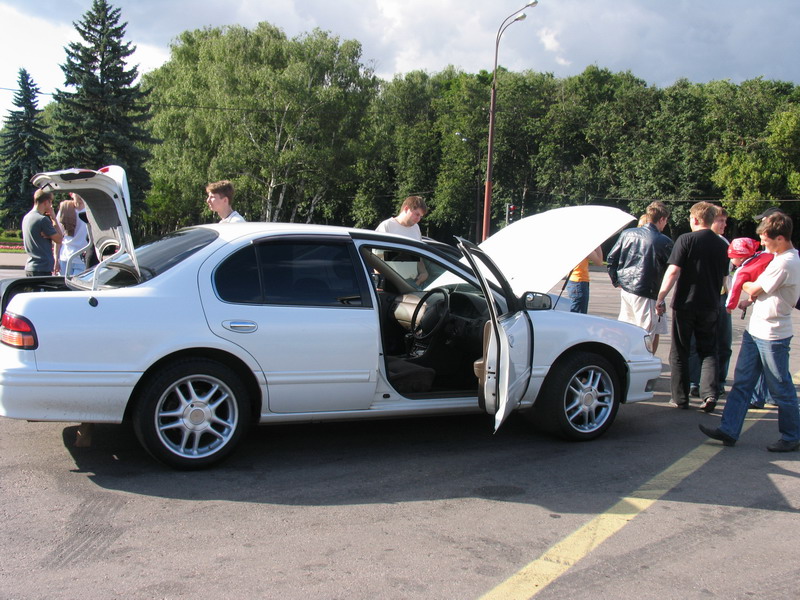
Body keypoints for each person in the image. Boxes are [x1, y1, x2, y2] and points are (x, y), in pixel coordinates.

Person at [699, 212, 800, 452]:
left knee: (780, 385)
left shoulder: (785, 262)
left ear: (780, 237)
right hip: (758, 330)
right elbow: (766, 291)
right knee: (743, 382)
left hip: (773, 335)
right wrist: (751, 299)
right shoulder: (779, 258)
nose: (762, 243)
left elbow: (755, 285)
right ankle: (729, 429)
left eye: (766, 239)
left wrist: (741, 277)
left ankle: (792, 435)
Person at [656, 201, 729, 412]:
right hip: (711, 304)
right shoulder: (722, 244)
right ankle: (709, 395)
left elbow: (673, 272)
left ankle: (680, 398)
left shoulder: (685, 240)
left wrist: (661, 297)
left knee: (680, 351)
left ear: (695, 219)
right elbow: (726, 279)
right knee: (709, 351)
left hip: (685, 303)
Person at [606, 201, 673, 352]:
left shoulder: (627, 234)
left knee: (626, 328)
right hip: (647, 291)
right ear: (662, 219)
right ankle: (644, 364)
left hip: (627, 289)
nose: (665, 224)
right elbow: (671, 269)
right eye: (665, 220)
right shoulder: (663, 241)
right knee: (646, 333)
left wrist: (617, 281)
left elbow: (611, 259)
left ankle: (624, 360)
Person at [688, 207, 732, 398]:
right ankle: (693, 381)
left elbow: (728, 275)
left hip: (720, 297)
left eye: (725, 221)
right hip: (699, 299)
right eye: (720, 220)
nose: (723, 225)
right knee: (694, 343)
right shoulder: (694, 241)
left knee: (723, 342)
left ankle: (719, 381)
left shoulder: (724, 243)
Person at [375, 196, 429, 286]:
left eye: (421, 216)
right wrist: (380, 284)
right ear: (406, 209)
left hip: (412, 283)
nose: (418, 219)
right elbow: (376, 258)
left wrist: (424, 272)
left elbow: (418, 255)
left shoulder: (416, 228)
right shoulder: (387, 226)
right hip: (390, 283)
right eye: (417, 214)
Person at [21, 188, 63, 277]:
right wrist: (53, 218)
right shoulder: (43, 219)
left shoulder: (27, 217)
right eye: (51, 202)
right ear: (46, 202)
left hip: (31, 266)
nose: (51, 205)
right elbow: (59, 239)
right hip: (42, 267)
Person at [55, 192, 89, 276]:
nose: (80, 196)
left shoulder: (89, 212)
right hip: (65, 257)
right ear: (71, 194)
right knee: (64, 286)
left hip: (81, 259)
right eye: (77, 192)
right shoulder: (65, 210)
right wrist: (56, 259)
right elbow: (58, 236)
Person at [566, 247, 603, 313]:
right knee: (579, 314)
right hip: (579, 281)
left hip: (571, 280)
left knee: (575, 310)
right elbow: (599, 262)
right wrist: (598, 247)